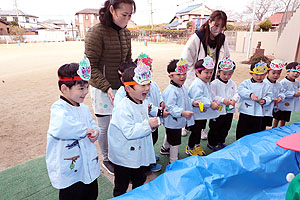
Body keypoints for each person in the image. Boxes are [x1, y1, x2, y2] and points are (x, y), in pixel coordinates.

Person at [84, 0, 136, 175]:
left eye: (130, 15)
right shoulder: (96, 32)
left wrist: (135, 70)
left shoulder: (126, 33)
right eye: (124, 15)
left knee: (122, 123)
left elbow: (128, 60)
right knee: (105, 127)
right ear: (112, 10)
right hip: (102, 89)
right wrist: (106, 87)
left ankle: (119, 154)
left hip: (121, 87)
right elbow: (90, 66)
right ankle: (106, 159)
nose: (127, 19)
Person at [46, 58, 100, 200]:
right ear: (64, 88)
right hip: (70, 168)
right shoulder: (58, 108)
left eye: (87, 87)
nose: (86, 92)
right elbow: (61, 127)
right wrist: (85, 130)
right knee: (73, 194)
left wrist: (96, 132)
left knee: (91, 193)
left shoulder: (84, 108)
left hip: (87, 162)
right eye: (81, 88)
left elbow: (92, 124)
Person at [108, 63, 159, 197]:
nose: (147, 88)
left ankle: (136, 196)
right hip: (124, 155)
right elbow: (129, 132)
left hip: (138, 151)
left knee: (139, 178)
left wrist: (152, 124)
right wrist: (148, 125)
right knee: (122, 183)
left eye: (148, 84)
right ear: (128, 88)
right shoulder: (123, 108)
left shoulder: (142, 102)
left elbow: (147, 116)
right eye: (142, 85)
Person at [181, 10, 230, 139]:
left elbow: (226, 58)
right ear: (209, 22)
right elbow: (186, 60)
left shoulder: (222, 39)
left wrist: (220, 76)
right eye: (216, 25)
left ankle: (202, 128)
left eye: (221, 26)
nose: (218, 29)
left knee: (207, 103)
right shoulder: (197, 37)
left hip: (212, 78)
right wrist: (194, 80)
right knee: (193, 102)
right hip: (197, 77)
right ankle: (185, 125)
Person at [160, 59, 194, 163]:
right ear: (171, 76)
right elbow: (170, 107)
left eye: (184, 73)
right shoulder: (171, 90)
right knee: (175, 142)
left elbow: (186, 99)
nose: (182, 76)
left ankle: (165, 148)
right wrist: (182, 112)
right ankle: (173, 160)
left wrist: (193, 102)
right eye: (178, 74)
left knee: (170, 135)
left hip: (175, 121)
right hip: (173, 121)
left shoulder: (182, 87)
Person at [186, 56, 220, 156]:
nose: (209, 75)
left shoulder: (205, 83)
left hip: (202, 114)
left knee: (199, 131)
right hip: (196, 114)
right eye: (206, 72)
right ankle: (190, 147)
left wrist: (213, 100)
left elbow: (208, 95)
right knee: (195, 132)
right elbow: (199, 98)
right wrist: (211, 103)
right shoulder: (197, 84)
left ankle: (197, 146)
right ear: (197, 72)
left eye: (211, 72)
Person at [236, 61, 272, 140]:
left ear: (266, 74)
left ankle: (253, 145)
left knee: (256, 131)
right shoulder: (246, 83)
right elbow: (241, 90)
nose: (259, 77)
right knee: (242, 130)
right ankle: (239, 143)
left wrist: (265, 100)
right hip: (246, 112)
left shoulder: (267, 85)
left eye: (262, 74)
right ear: (251, 73)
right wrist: (250, 94)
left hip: (259, 113)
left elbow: (270, 95)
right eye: (257, 74)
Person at [208, 57, 239, 151]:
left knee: (226, 126)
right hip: (218, 110)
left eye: (229, 74)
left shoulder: (232, 83)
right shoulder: (214, 83)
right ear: (218, 72)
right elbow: (212, 96)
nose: (227, 76)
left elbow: (237, 93)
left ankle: (221, 141)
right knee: (215, 127)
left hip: (229, 111)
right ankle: (212, 143)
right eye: (224, 74)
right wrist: (222, 100)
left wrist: (234, 99)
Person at [273, 62, 300, 127]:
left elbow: (298, 88)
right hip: (282, 104)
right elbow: (282, 92)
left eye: (298, 72)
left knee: (284, 118)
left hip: (290, 104)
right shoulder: (283, 82)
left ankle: (282, 129)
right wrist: (293, 94)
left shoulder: (296, 82)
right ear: (287, 72)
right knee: (277, 117)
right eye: (293, 71)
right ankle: (274, 128)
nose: (296, 73)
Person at [262, 59, 285, 129]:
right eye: (273, 73)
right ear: (267, 72)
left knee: (268, 123)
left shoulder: (279, 84)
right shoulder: (264, 83)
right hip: (263, 108)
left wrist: (281, 97)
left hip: (272, 108)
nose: (276, 75)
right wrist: (271, 98)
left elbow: (282, 92)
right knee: (261, 123)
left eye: (278, 73)